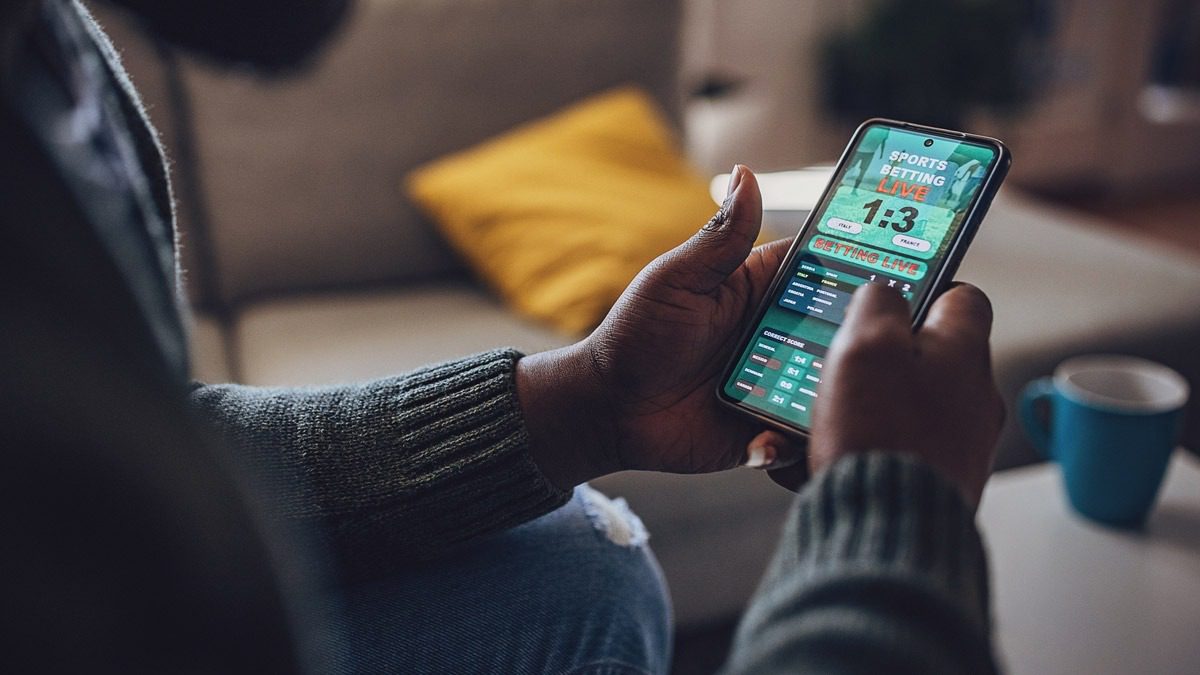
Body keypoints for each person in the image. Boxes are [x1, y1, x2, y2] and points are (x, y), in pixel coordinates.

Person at [1, 1, 1004, 672]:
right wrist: (894, 517)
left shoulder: (51, 50)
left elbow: (167, 448)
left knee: (581, 568)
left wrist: (591, 400)